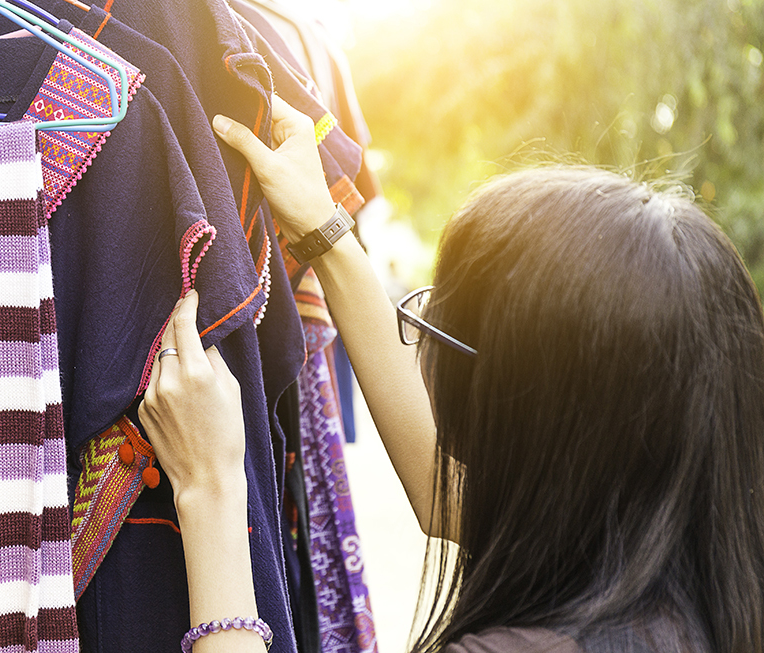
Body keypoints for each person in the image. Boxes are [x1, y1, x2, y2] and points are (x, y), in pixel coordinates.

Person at [138, 95, 764, 653]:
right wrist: (324, 234)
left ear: (520, 409)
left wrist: (210, 490)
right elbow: (450, 498)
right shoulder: (703, 583)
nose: (427, 357)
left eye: (444, 331)